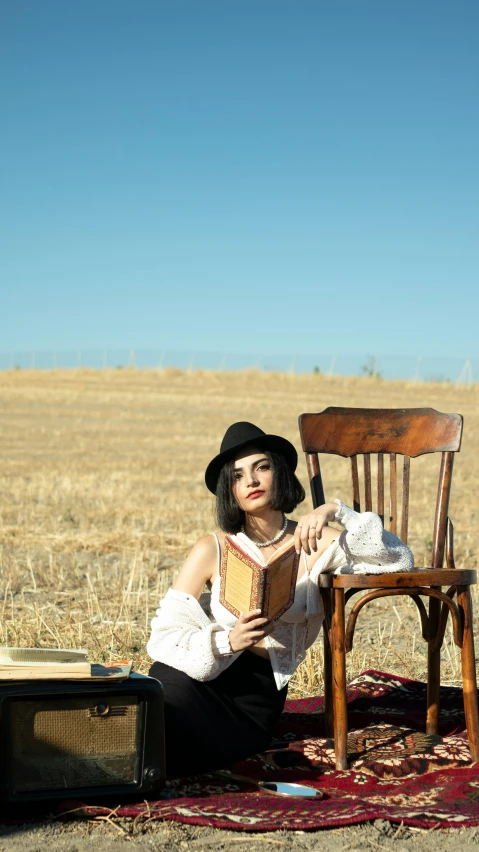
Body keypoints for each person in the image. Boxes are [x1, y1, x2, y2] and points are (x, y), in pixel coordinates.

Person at [147, 422, 413, 778]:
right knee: (153, 701)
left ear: (280, 472)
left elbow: (399, 560)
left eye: (261, 467)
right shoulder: (212, 548)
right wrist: (227, 641)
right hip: (203, 674)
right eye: (238, 476)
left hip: (253, 701)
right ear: (231, 491)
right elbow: (163, 636)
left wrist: (334, 512)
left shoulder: (317, 541)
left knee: (169, 737)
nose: (251, 481)